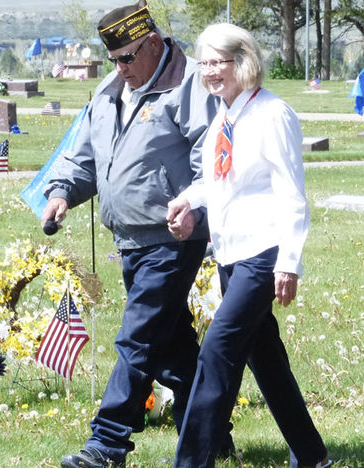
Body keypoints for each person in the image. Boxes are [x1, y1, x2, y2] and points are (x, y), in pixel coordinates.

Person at [41, 2, 233, 467]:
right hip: (129, 239)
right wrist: (62, 191)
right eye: (113, 60)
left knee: (138, 338)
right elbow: (84, 153)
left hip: (172, 237)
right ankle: (210, 432)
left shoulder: (189, 86)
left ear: (152, 44)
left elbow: (209, 156)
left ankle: (107, 445)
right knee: (171, 348)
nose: (120, 68)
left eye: (127, 57)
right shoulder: (111, 89)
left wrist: (191, 207)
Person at [167, 23, 332, 468]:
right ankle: (313, 456)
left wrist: (288, 263)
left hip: (264, 253)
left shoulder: (272, 114)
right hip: (230, 254)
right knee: (267, 361)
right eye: (204, 63)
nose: (210, 72)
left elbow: (291, 193)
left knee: (217, 350)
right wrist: (187, 200)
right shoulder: (224, 117)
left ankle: (191, 462)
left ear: (244, 62)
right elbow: (221, 183)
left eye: (218, 62)